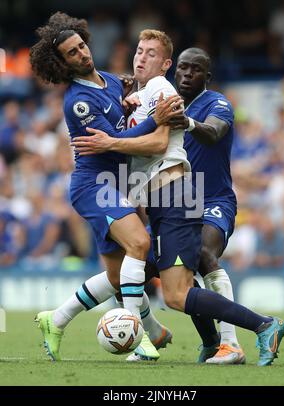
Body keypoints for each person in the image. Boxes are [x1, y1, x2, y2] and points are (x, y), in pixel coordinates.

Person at [73, 30, 284, 367]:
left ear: (168, 65)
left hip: (198, 195)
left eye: (151, 53)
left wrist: (113, 141)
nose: (187, 75)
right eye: (139, 51)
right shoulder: (151, 95)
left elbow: (194, 136)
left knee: (189, 272)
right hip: (170, 198)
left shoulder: (192, 97)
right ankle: (206, 342)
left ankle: (248, 334)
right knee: (150, 274)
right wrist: (126, 97)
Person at [30, 12, 182, 361]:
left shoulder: (113, 82)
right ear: (62, 64)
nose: (82, 54)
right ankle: (141, 336)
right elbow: (114, 141)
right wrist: (155, 121)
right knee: (140, 242)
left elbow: (122, 116)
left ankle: (56, 319)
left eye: (81, 45)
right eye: (72, 53)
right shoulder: (77, 102)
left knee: (117, 276)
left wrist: (130, 98)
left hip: (117, 185)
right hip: (94, 185)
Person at [171, 47, 244, 364]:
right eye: (183, 68)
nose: (187, 74)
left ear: (207, 77)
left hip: (215, 200)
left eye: (195, 69)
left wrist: (185, 122)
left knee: (203, 253)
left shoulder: (218, 103)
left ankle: (231, 344)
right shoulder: (165, 107)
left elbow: (213, 133)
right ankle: (210, 341)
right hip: (179, 205)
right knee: (167, 271)